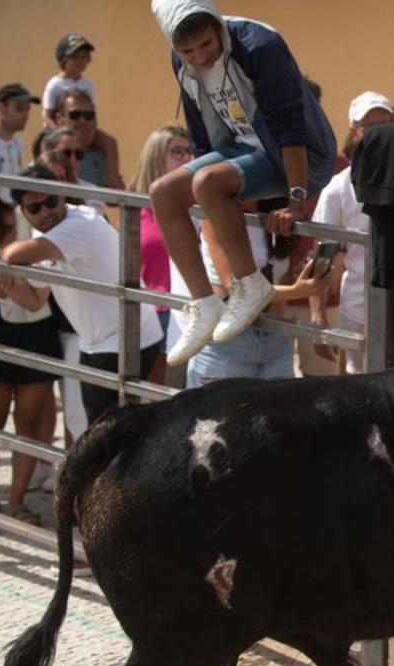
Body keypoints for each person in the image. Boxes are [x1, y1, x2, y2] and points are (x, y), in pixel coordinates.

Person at [148, 0, 337, 367]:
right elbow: (199, 126)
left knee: (208, 182)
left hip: (295, 154)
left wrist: (296, 200)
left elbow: (289, 125)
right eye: (188, 51)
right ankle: (204, 303)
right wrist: (202, 180)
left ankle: (250, 284)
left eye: (206, 44)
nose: (200, 57)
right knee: (163, 192)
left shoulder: (259, 46)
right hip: (241, 148)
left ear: (217, 25)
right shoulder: (181, 60)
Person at [0, 165, 163, 424]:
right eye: (35, 208)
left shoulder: (79, 225)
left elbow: (12, 255)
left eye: (51, 201)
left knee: (106, 434)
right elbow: (35, 301)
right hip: (101, 340)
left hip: (127, 338)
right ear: (23, 211)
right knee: (107, 432)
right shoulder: (43, 235)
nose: (46, 212)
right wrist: (3, 278)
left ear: (62, 195)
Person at [0, 181, 61, 536]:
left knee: (29, 422)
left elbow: (36, 299)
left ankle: (18, 503)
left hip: (38, 332)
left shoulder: (27, 220)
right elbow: (26, 296)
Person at [186, 198, 329, 387]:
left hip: (277, 338)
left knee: (278, 416)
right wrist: (298, 291)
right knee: (222, 415)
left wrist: (302, 279)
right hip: (229, 339)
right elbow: (235, 287)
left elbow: (280, 278)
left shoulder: (278, 215)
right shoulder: (216, 214)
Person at [308, 91, 393, 374]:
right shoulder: (337, 189)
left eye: (385, 125)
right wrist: (318, 312)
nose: (379, 134)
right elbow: (322, 256)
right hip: (358, 307)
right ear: (355, 131)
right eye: (370, 127)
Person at [128, 124, 193, 383]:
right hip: (150, 315)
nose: (187, 158)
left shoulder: (195, 208)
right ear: (156, 157)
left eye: (189, 151)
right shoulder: (133, 209)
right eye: (177, 152)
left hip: (185, 312)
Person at [42, 32, 122, 185]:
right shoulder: (55, 84)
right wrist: (59, 133)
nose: (81, 61)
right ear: (63, 59)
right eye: (76, 57)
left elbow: (92, 113)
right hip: (56, 130)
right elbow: (46, 115)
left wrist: (90, 133)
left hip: (82, 130)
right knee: (50, 147)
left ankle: (112, 180)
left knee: (109, 142)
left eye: (84, 57)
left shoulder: (88, 84)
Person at [0, 84, 39, 178]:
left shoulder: (18, 142)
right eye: (19, 109)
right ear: (1, 108)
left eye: (27, 109)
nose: (25, 115)